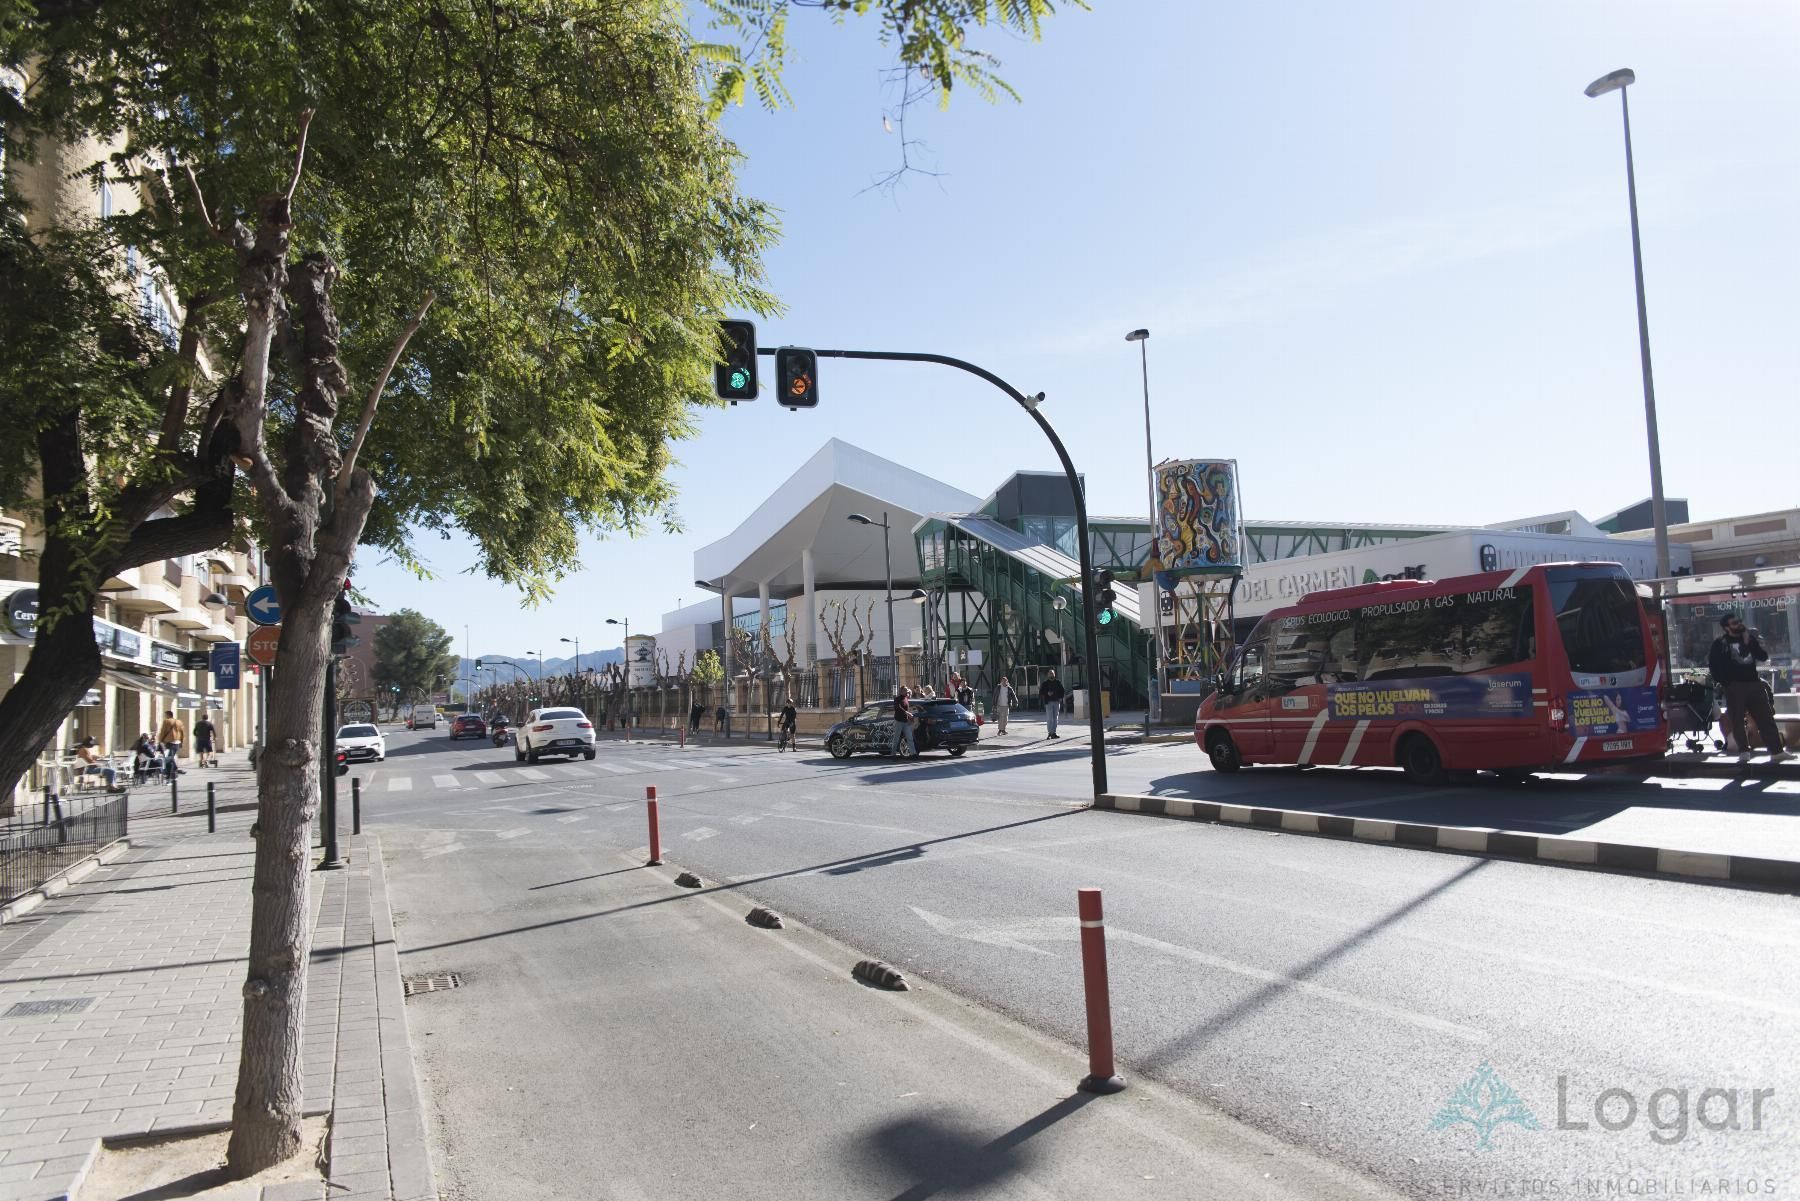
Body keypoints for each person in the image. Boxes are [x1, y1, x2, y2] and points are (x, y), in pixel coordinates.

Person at [1709, 615, 1786, 760]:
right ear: (1727, 627)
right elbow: (1714, 665)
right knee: (1738, 718)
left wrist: (1749, 642)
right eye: (1734, 623)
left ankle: (1776, 751)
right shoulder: (1721, 643)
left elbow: (1762, 656)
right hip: (1734, 685)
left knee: (1765, 716)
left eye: (1739, 621)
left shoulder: (1748, 639)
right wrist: (1726, 683)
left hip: (1753, 682)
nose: (1739, 624)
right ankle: (1744, 750)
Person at [156, 710, 186, 778]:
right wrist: (182, 742)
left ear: (168, 715)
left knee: (169, 758)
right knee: (170, 757)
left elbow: (163, 731)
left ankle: (174, 771)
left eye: (165, 715)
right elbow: (182, 733)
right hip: (177, 742)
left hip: (169, 742)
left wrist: (160, 740)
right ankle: (173, 772)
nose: (165, 716)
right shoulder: (179, 722)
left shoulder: (166, 721)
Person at [890, 686, 915, 758]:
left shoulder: (906, 698)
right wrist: (907, 713)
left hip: (906, 722)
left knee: (910, 738)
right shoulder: (897, 699)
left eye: (907, 690)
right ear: (901, 691)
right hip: (899, 721)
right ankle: (893, 754)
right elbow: (899, 708)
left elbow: (908, 708)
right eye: (905, 690)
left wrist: (910, 718)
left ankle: (913, 754)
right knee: (896, 738)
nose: (907, 692)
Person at [1040, 670, 1066, 738]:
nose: (1051, 675)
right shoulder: (1045, 683)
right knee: (1050, 718)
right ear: (1048, 675)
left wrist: (1061, 698)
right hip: (1048, 702)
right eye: (1050, 673)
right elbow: (1041, 692)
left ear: (1054, 674)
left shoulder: (1058, 682)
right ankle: (1050, 732)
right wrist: (1047, 693)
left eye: (1052, 673)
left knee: (1055, 718)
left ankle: (1054, 733)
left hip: (1056, 702)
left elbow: (1062, 690)